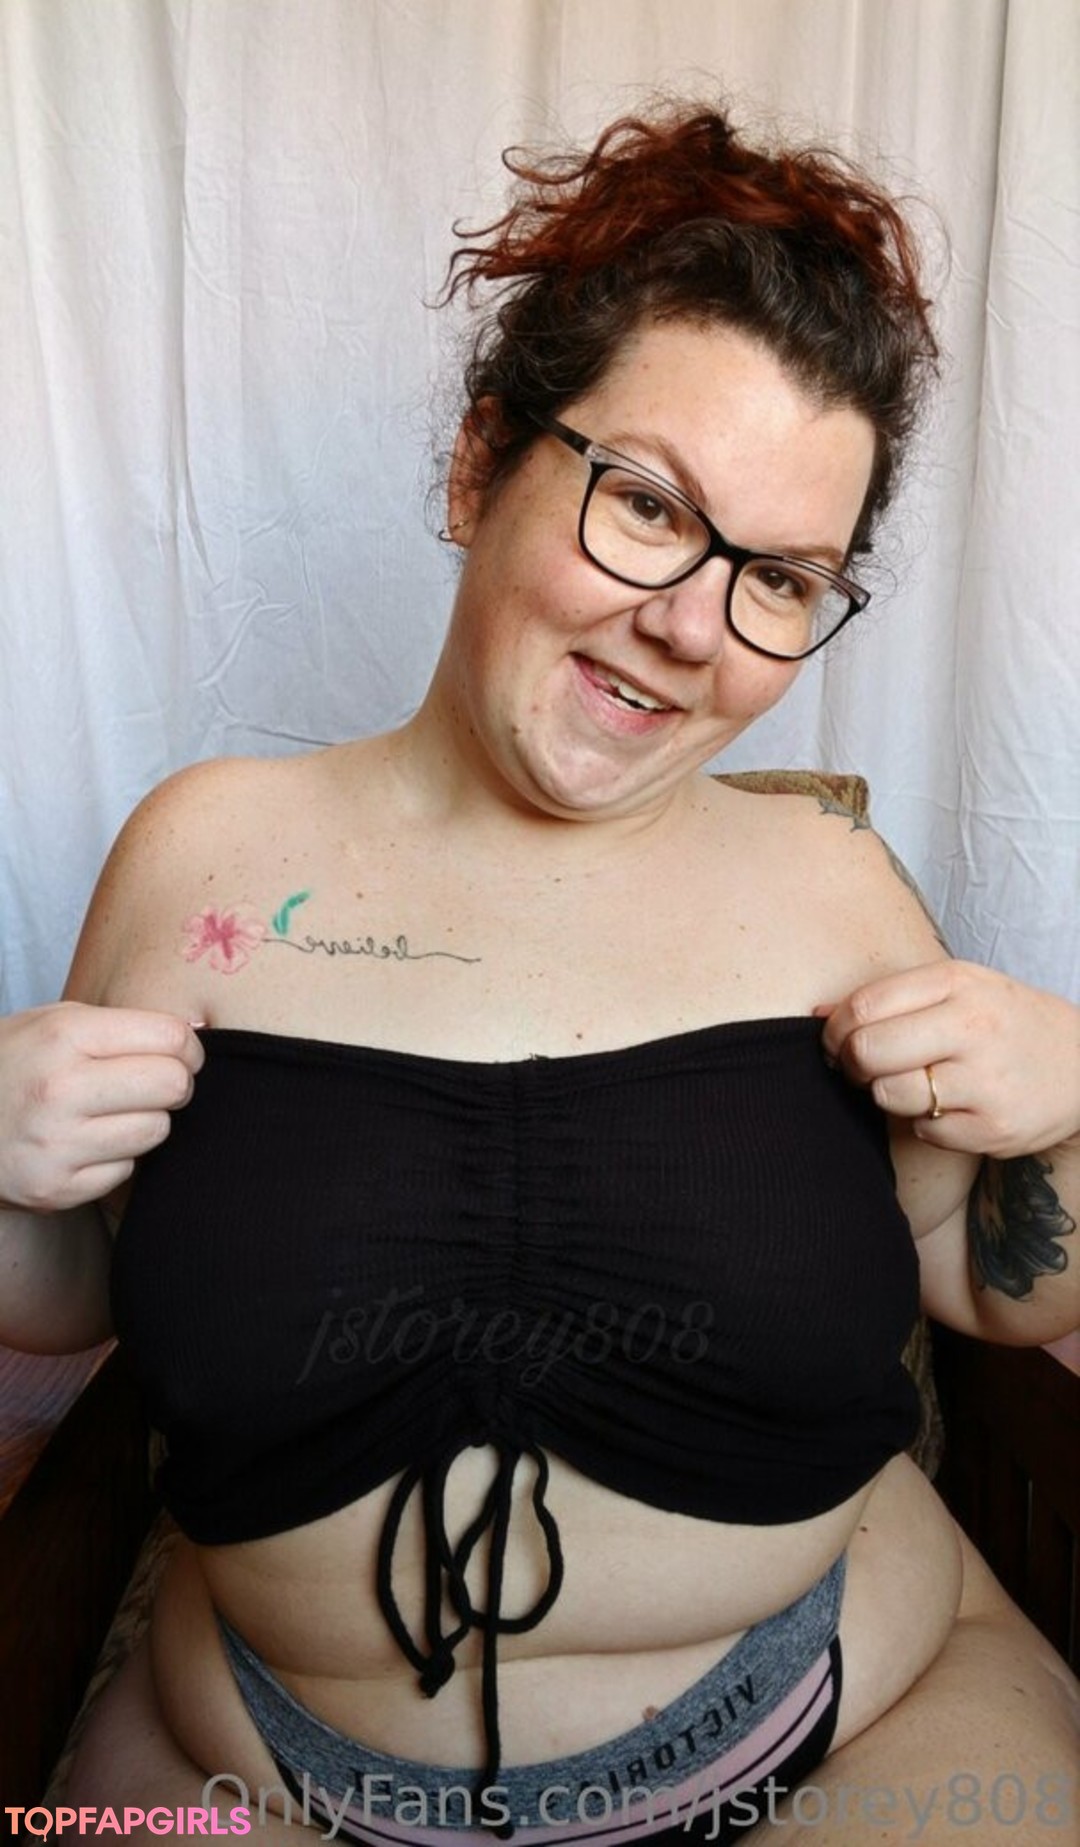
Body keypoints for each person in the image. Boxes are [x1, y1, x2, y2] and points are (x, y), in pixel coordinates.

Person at [2, 100, 1078, 1846]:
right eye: (646, 504)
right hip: (255, 1773)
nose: (691, 626)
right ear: (477, 465)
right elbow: (68, 1292)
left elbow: (996, 1284)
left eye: (781, 577)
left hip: (846, 1722)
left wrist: (1074, 1099)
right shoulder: (205, 862)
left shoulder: (837, 888)